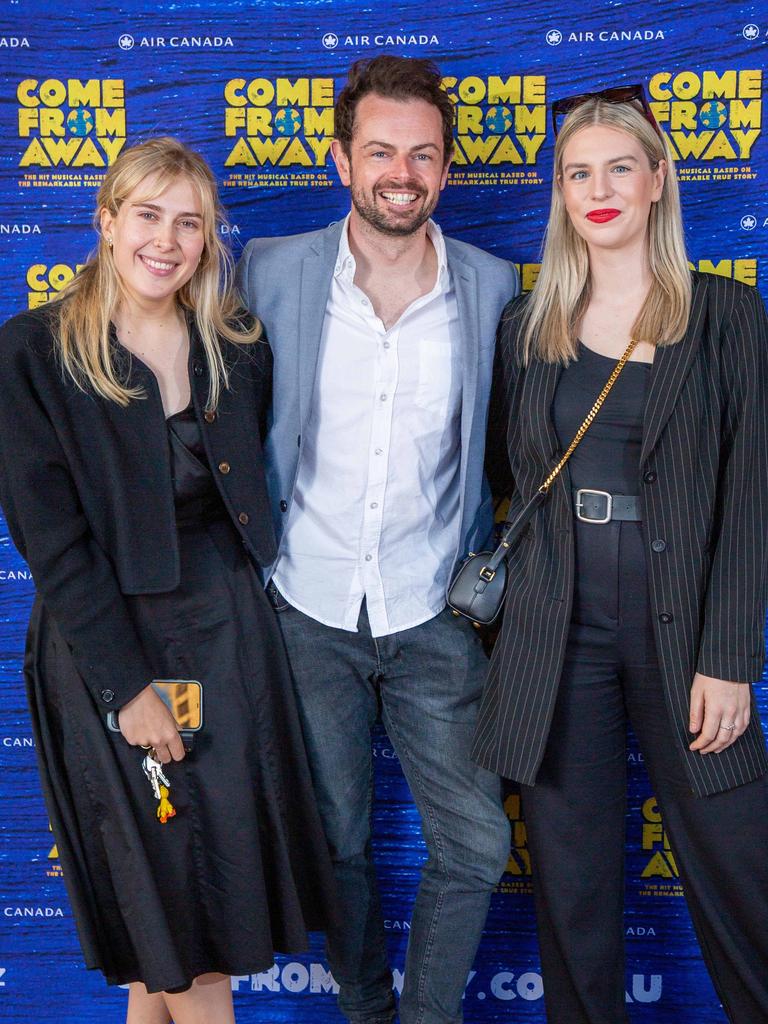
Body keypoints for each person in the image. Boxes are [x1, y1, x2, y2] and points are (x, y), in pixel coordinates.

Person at [0, 137, 336, 1024]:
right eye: (147, 215)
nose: (168, 240)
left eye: (190, 223)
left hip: (228, 642)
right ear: (106, 221)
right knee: (185, 922)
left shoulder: (236, 343)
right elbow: (55, 545)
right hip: (110, 649)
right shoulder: (32, 352)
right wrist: (129, 691)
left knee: (179, 931)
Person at [473, 85, 768, 1023]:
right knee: (575, 892)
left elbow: (753, 497)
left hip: (685, 628)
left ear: (657, 181)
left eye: (617, 168)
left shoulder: (727, 314)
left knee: (740, 869)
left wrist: (729, 657)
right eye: (576, 173)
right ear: (560, 195)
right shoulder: (526, 328)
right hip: (558, 634)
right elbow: (495, 481)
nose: (597, 189)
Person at [236, 55, 517, 1024]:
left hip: (435, 609)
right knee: (337, 839)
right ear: (341, 161)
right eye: (382, 151)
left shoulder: (491, 286)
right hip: (304, 605)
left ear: (447, 170)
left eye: (424, 155)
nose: (403, 172)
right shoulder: (269, 270)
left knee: (476, 843)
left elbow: (516, 448)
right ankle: (365, 1008)